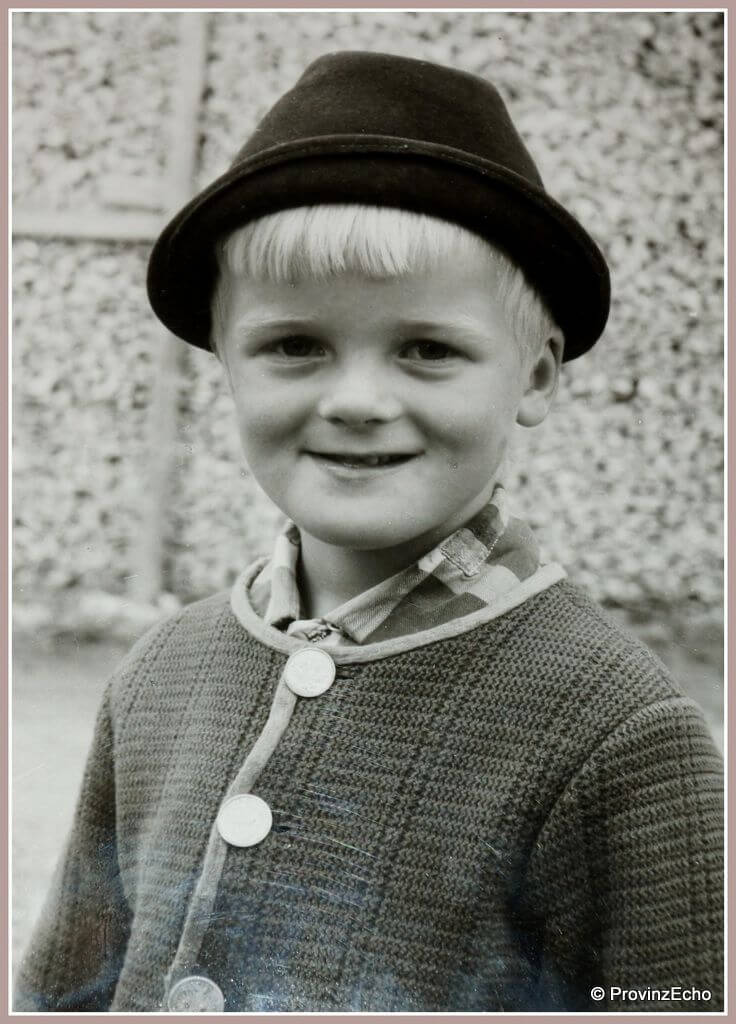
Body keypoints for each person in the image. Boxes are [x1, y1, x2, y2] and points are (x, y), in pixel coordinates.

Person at [14, 51, 723, 1013]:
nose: (355, 400)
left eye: (428, 349)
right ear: (226, 365)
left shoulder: (618, 733)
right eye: (294, 345)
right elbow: (64, 994)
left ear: (537, 375)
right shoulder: (157, 677)